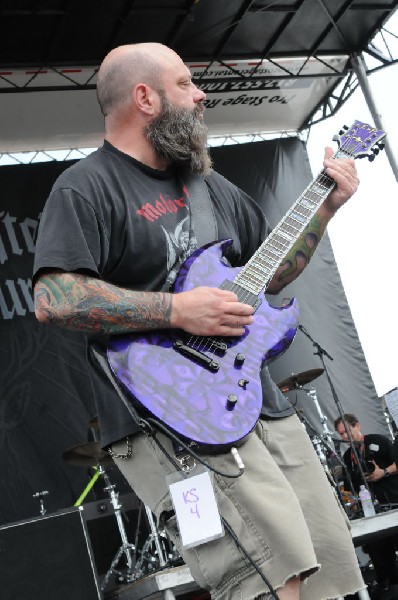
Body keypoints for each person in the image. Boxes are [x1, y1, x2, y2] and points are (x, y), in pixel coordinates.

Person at [33, 43, 365, 600]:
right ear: (146, 97)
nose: (202, 94)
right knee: (266, 579)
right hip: (169, 419)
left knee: (330, 575)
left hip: (257, 402)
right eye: (186, 83)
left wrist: (325, 206)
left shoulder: (210, 186)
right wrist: (175, 309)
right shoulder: (86, 187)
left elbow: (272, 275)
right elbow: (54, 296)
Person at [335, 413, 398, 590]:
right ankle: (389, 584)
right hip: (372, 508)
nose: (345, 436)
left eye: (347, 431)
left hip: (393, 500)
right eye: (341, 434)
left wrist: (383, 472)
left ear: (357, 425)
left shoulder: (377, 440)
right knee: (378, 548)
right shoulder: (348, 456)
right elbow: (351, 486)